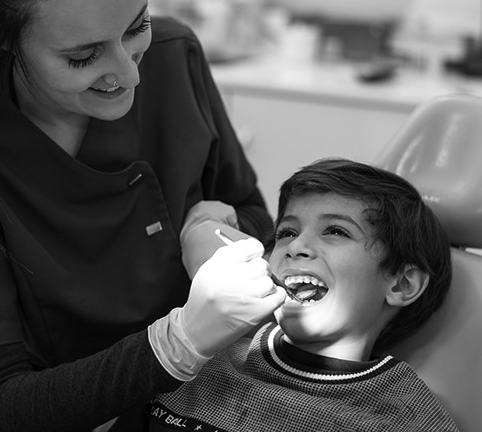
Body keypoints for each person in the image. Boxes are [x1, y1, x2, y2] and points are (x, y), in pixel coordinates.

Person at [0, 0, 285, 431]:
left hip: (213, 404)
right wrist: (178, 344)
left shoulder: (173, 56)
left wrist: (218, 232)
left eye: (136, 26)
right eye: (84, 56)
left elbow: (256, 212)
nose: (129, 75)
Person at [148, 158, 459, 432]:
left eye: (336, 231)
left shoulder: (403, 419)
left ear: (401, 285)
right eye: (287, 233)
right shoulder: (204, 352)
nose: (295, 247)